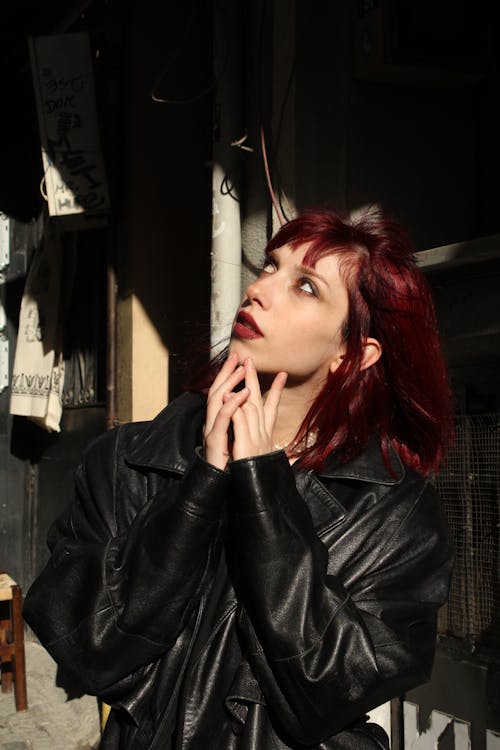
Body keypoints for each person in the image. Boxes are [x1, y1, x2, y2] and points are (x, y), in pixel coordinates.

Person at [24, 207, 455, 750]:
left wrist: (263, 491)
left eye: (305, 287)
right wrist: (202, 484)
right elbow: (88, 649)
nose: (261, 289)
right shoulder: (130, 458)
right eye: (270, 266)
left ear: (352, 353)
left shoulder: (395, 515)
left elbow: (331, 690)